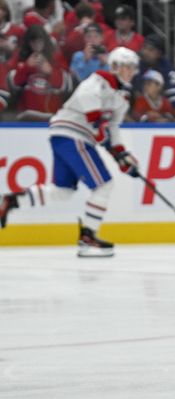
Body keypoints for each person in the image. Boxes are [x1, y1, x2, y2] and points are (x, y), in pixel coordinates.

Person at [0, 47, 141, 257]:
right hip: (73, 135)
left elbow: (112, 129)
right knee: (104, 185)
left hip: (67, 136)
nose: (129, 72)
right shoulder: (100, 80)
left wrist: (123, 156)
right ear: (113, 67)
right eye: (124, 67)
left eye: (132, 68)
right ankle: (88, 237)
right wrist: (110, 147)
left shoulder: (122, 98)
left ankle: (11, 200)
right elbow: (90, 110)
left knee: (63, 191)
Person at [7, 24, 72, 120]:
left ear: (45, 41)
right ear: (28, 42)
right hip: (26, 115)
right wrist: (26, 67)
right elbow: (12, 86)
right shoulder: (20, 56)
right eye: (33, 42)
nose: (37, 46)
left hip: (52, 115)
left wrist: (51, 72)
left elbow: (67, 86)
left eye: (40, 42)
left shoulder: (56, 57)